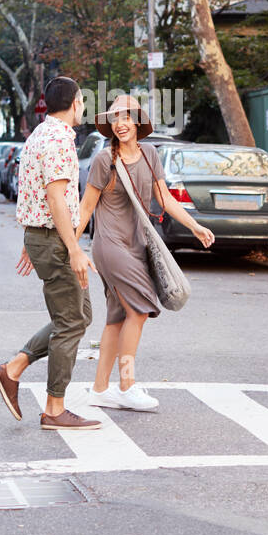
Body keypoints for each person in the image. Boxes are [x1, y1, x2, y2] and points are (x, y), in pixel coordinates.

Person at [75, 95, 213, 411]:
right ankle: (126, 386)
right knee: (139, 310)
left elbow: (163, 199)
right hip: (110, 247)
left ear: (137, 121)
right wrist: (73, 249)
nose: (121, 123)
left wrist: (195, 226)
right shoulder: (103, 160)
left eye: (127, 117)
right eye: (115, 118)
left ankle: (99, 389)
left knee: (117, 318)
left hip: (136, 246)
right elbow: (86, 208)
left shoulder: (150, 154)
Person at [0, 76, 102, 431]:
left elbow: (35, 192)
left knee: (78, 315)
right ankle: (54, 408)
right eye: (82, 100)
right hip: (54, 240)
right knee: (72, 321)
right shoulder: (58, 140)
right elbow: (54, 197)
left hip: (44, 237)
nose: (82, 106)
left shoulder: (40, 134)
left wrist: (32, 237)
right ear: (75, 102)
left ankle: (15, 368)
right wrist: (74, 250)